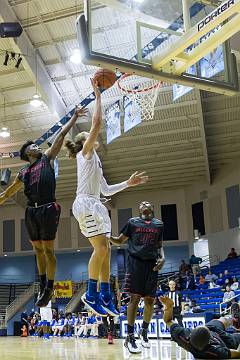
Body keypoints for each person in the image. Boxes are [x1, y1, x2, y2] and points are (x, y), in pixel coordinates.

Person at [65, 80, 148, 317]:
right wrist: (98, 96)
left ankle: (104, 294)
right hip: (85, 204)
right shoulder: (85, 152)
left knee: (107, 250)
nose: (94, 135)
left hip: (94, 203)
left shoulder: (96, 163)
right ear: (85, 141)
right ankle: (90, 293)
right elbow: (97, 122)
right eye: (89, 135)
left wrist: (128, 184)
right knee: (101, 249)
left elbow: (107, 191)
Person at [0, 106, 87, 307]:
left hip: (48, 207)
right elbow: (7, 193)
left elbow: (61, 135)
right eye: (33, 146)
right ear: (27, 153)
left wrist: (73, 118)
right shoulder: (23, 172)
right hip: (31, 211)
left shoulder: (47, 158)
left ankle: (49, 286)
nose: (37, 146)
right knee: (37, 251)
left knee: (48, 251)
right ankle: (41, 284)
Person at [110, 201, 164, 354]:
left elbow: (160, 245)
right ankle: (130, 336)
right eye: (141, 203)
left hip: (152, 264)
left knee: (150, 301)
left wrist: (163, 258)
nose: (144, 203)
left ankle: (144, 331)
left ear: (152, 208)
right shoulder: (132, 222)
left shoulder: (159, 225)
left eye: (148, 202)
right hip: (135, 263)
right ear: (139, 209)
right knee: (134, 299)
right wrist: (107, 236)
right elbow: (120, 240)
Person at [160, 296, 240, 359]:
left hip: (210, 332)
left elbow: (168, 320)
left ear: (190, 335)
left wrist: (168, 308)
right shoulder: (215, 351)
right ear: (209, 340)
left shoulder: (182, 335)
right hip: (224, 341)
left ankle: (234, 319)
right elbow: (237, 353)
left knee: (221, 320)